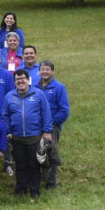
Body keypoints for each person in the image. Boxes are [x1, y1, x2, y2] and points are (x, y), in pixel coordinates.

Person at [2, 69, 53, 201]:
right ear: (15, 82)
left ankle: (35, 191)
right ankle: (20, 190)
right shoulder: (9, 96)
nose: (20, 81)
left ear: (28, 79)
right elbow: (5, 115)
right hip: (17, 137)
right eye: (17, 79)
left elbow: (46, 112)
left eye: (22, 78)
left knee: (34, 165)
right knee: (20, 165)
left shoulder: (38, 94)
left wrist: (47, 130)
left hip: (34, 136)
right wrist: (8, 132)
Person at [36, 61, 69, 189]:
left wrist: (50, 125)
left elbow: (64, 110)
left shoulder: (59, 87)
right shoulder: (35, 86)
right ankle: (43, 178)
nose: (44, 72)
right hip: (36, 127)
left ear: (53, 72)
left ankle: (51, 182)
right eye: (42, 69)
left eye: (47, 69)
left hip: (52, 127)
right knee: (40, 153)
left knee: (51, 153)